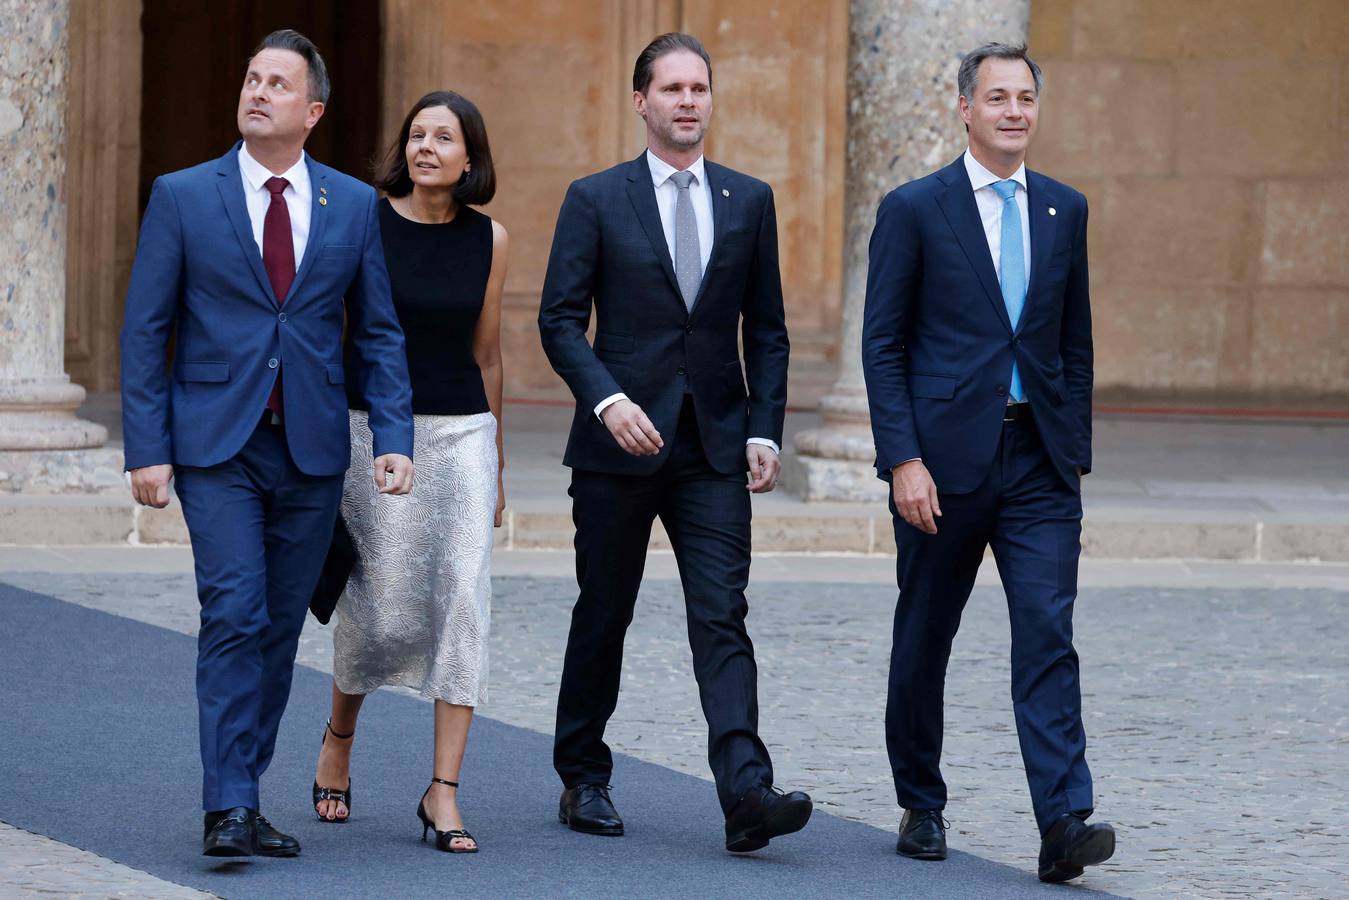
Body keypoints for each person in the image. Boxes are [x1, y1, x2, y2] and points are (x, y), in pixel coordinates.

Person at [120, 29, 414, 858]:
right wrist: (147, 447)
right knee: (235, 613)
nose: (257, 92)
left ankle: (241, 794)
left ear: (311, 110)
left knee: (281, 627)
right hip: (216, 444)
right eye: (252, 78)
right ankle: (228, 803)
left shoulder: (352, 205)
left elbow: (379, 335)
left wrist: (393, 434)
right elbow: (146, 330)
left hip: (313, 451)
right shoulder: (182, 194)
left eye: (277, 84)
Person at [537, 32, 811, 854]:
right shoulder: (595, 197)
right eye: (672, 89)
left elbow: (766, 329)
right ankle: (583, 776)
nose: (688, 101)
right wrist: (607, 400)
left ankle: (746, 795)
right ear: (640, 102)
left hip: (715, 448)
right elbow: (557, 320)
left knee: (721, 615)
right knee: (604, 613)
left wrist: (765, 427)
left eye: (700, 88)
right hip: (619, 446)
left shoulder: (748, 200)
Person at [860, 42, 1114, 882]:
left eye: (1025, 98)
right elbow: (883, 344)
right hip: (943, 463)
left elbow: (1071, 342)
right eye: (996, 97)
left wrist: (1070, 448)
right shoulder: (914, 208)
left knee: (1047, 633)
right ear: (962, 109)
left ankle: (1062, 820)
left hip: (1038, 462)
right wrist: (902, 459)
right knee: (926, 633)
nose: (1013, 110)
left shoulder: (1064, 209)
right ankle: (920, 801)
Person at [309, 91, 507, 855]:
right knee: (379, 609)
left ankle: (443, 791)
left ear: (469, 157)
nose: (426, 146)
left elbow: (488, 354)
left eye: (443, 136)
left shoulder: (492, 238)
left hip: (461, 434)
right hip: (373, 430)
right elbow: (341, 332)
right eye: (416, 134)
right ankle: (338, 737)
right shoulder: (365, 219)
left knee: (463, 605)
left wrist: (494, 463)